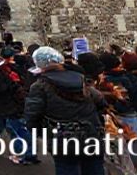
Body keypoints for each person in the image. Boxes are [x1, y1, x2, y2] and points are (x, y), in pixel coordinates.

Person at [23, 46, 106, 175]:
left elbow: (32, 115)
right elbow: (100, 100)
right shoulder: (79, 77)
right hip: (90, 131)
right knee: (94, 168)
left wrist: (42, 133)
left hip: (62, 136)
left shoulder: (40, 86)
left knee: (67, 168)